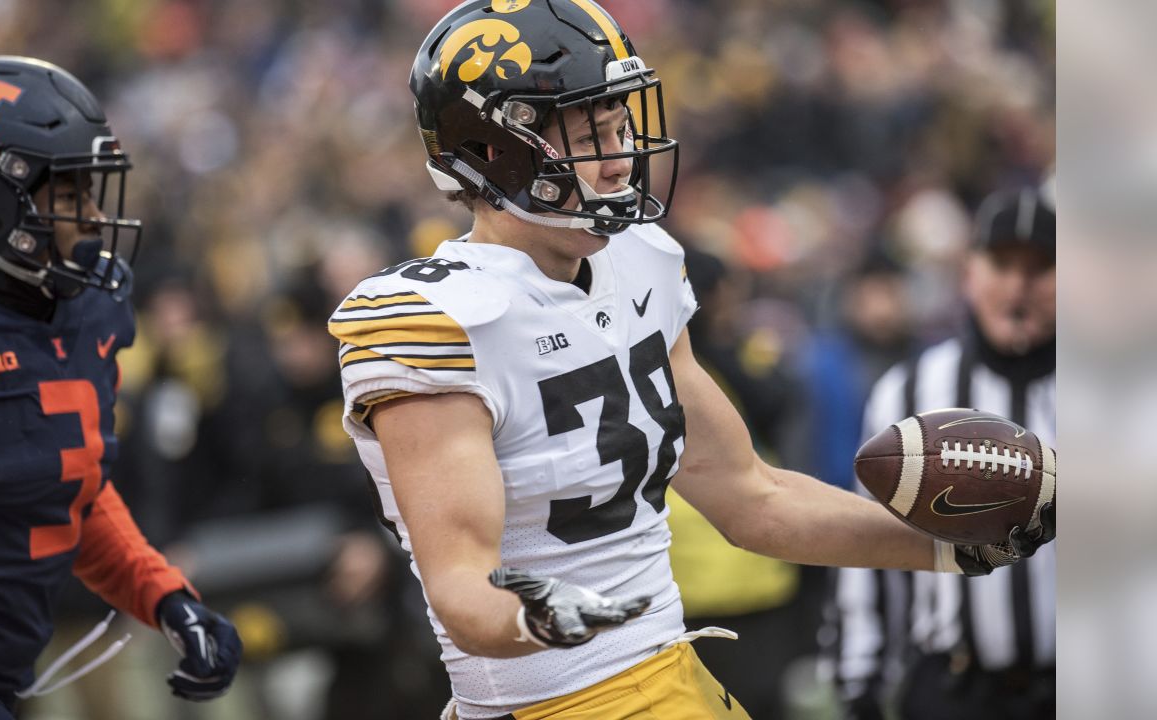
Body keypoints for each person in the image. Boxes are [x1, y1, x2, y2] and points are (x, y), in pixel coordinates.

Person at [326, 3, 1053, 718]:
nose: (619, 158)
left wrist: (948, 549)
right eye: (587, 135)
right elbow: (460, 588)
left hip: (670, 668)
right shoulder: (438, 322)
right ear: (493, 150)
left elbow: (753, 499)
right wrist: (535, 617)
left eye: (619, 126)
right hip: (555, 701)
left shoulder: (640, 264)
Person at [0, 56, 242, 719]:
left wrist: (165, 597)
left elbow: (70, 489)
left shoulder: (89, 309)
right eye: (69, 195)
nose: (94, 219)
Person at [831, 186, 1056, 720]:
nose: (1018, 286)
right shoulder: (910, 390)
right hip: (956, 687)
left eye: (1041, 267)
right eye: (1001, 264)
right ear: (969, 272)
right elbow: (867, 540)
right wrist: (860, 679)